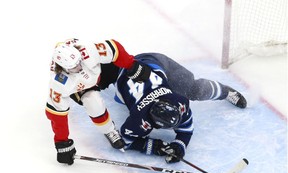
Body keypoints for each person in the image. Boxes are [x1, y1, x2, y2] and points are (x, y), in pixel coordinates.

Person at [112, 52, 247, 163]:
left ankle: (226, 92)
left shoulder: (179, 103)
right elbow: (125, 141)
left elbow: (186, 130)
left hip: (155, 63)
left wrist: (179, 145)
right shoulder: (138, 120)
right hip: (122, 77)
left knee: (194, 89)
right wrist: (157, 147)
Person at [45, 38, 151, 165]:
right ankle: (109, 131)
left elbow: (114, 48)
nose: (79, 67)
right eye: (74, 67)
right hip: (84, 86)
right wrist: (61, 142)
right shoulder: (59, 83)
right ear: (64, 69)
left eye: (79, 62)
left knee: (135, 74)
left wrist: (131, 64)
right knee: (93, 103)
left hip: (100, 69)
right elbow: (56, 115)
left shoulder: (86, 51)